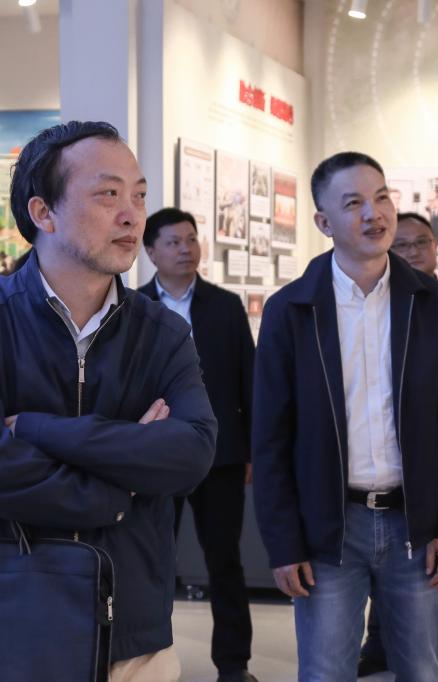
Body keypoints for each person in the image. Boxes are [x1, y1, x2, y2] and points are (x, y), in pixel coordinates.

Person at [0, 121, 216, 678]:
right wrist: (120, 489)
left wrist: (37, 429)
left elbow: (191, 452)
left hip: (134, 635)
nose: (132, 215)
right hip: (16, 621)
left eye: (139, 196)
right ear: (43, 213)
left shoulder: (162, 332)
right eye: (108, 194)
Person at [252, 151, 438, 682]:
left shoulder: (436, 306)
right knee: (325, 671)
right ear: (323, 222)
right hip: (328, 528)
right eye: (353, 203)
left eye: (381, 197)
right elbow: (270, 437)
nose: (374, 214)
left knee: (424, 670)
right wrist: (283, 543)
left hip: (414, 524)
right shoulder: (291, 310)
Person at [358, 211, 438, 681]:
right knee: (381, 562)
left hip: (431, 460)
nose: (413, 252)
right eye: (403, 244)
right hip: (381, 461)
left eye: (422, 243)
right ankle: (379, 644)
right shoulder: (376, 304)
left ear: (436, 249)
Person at [138, 207, 258, 682]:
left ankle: (234, 664)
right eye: (174, 242)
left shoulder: (225, 305)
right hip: (154, 455)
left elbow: (248, 379)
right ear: (151, 252)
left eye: (191, 239)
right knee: (151, 560)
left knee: (225, 560)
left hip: (220, 454)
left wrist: (251, 449)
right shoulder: (133, 306)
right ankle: (148, 658)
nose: (186, 249)